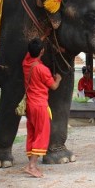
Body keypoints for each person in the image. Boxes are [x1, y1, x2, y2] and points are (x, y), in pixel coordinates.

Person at [21, 38, 62, 178]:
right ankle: (31, 166)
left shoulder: (26, 63)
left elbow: (31, 53)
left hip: (29, 106)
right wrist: (58, 79)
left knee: (32, 134)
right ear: (42, 51)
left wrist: (42, 38)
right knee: (42, 134)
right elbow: (54, 86)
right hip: (40, 105)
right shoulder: (42, 69)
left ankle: (32, 163)